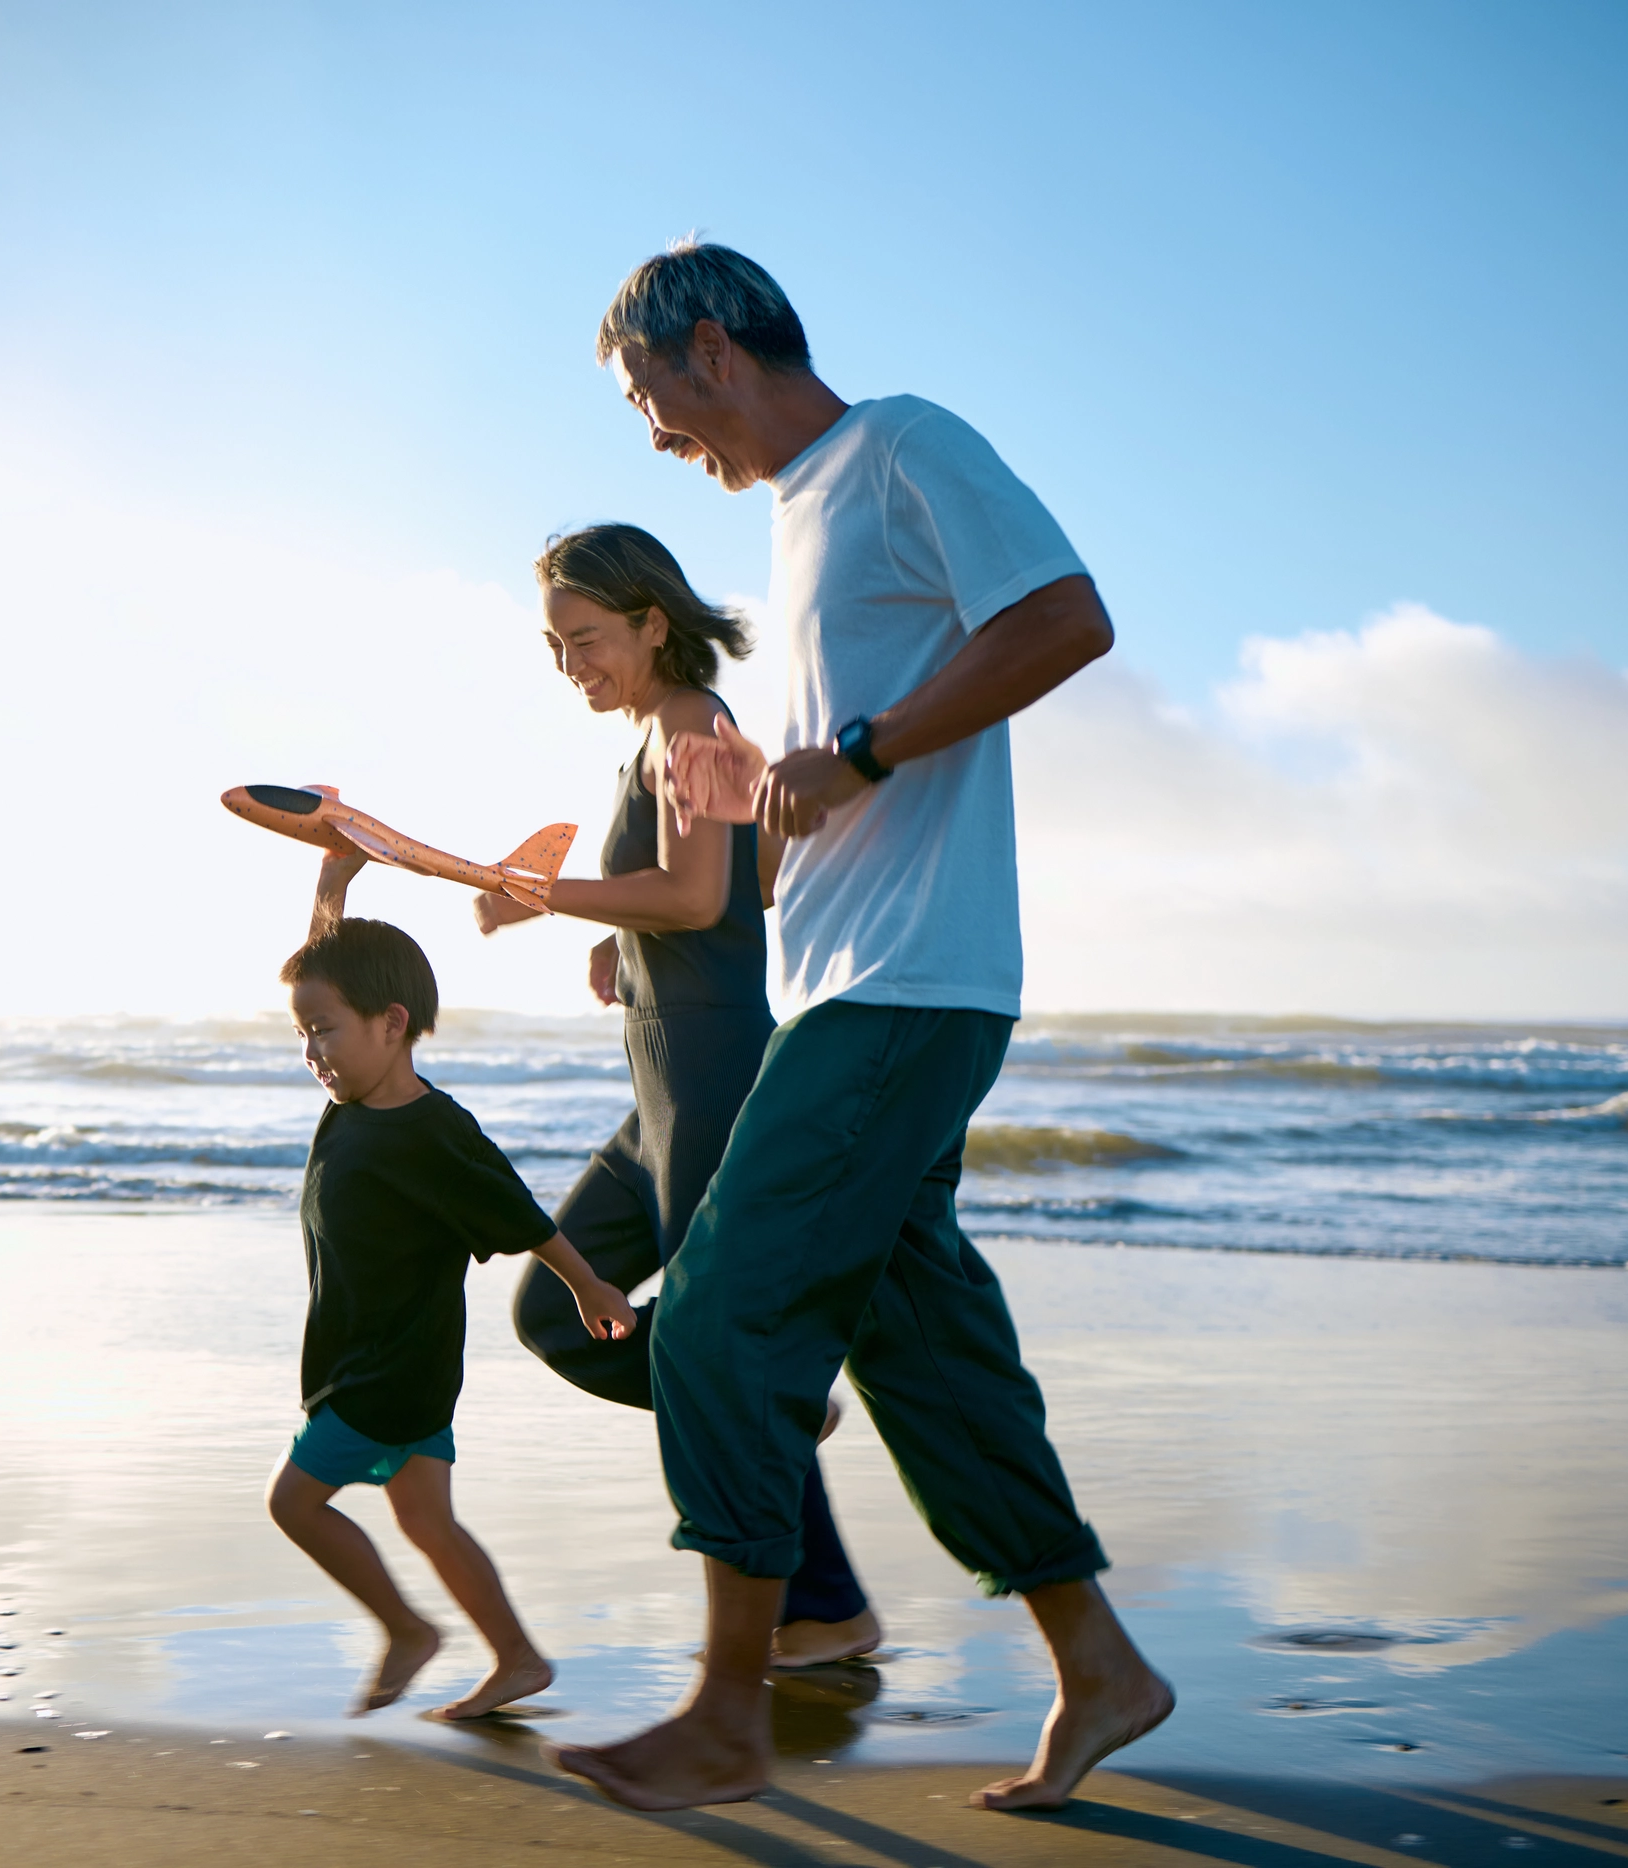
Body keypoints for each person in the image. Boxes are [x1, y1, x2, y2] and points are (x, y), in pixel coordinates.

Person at [548, 242, 1174, 1814]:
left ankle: (727, 1709)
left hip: (908, 989)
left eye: (649, 399)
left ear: (710, 348)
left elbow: (1066, 619)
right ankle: (1101, 1664)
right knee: (928, 1356)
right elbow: (841, 774)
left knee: (713, 1319)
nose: (655, 437)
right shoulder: (796, 517)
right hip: (842, 980)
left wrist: (867, 750)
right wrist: (759, 796)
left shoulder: (901, 444)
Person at [474, 521, 879, 1669]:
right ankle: (777, 1419)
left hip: (709, 1076)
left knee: (717, 1349)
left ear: (654, 618)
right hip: (659, 1085)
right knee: (555, 1307)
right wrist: (619, 939)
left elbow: (700, 897)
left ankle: (825, 1604)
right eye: (556, 647)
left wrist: (549, 895)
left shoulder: (695, 723)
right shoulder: (669, 732)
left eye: (587, 639)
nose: (572, 667)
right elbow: (751, 873)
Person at [268, 858, 639, 1720]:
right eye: (301, 1034)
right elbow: (325, 956)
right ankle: (516, 1659)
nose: (311, 1052)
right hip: (401, 1359)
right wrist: (333, 875)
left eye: (322, 1030)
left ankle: (405, 1629)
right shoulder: (357, 1099)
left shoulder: (431, 1133)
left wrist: (588, 1287)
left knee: (293, 1503)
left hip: (386, 1370)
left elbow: (521, 1212)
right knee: (428, 1522)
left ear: (391, 1024)